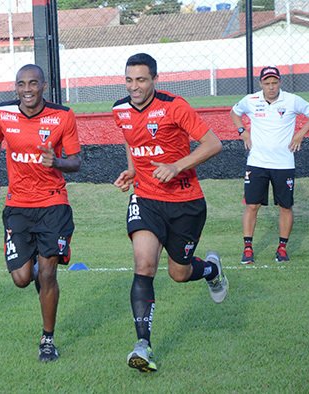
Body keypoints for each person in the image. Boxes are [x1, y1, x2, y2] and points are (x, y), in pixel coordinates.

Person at [112, 53, 228, 373]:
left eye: (141, 80)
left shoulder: (175, 106)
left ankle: (211, 271)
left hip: (185, 203)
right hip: (146, 199)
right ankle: (142, 345)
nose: (134, 87)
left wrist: (176, 166)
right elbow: (130, 139)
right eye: (129, 80)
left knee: (178, 273)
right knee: (144, 264)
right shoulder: (120, 110)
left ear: (155, 80)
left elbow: (213, 144)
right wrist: (133, 170)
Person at [0, 64, 81, 362]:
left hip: (53, 204)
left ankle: (47, 340)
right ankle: (36, 269)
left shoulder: (63, 116)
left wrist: (57, 162)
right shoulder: (3, 113)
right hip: (18, 207)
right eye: (21, 84)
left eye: (33, 83)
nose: (27, 89)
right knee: (22, 278)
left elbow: (76, 161)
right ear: (15, 87)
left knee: (49, 272)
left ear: (44, 86)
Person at [230, 66, 309, 264]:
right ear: (261, 83)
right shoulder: (251, 100)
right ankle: (247, 249)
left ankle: (282, 248)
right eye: (267, 83)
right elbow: (234, 112)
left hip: (284, 163)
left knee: (285, 206)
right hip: (256, 163)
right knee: (252, 205)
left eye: (274, 82)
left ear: (279, 82)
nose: (271, 87)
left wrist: (300, 134)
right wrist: (242, 131)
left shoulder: (292, 100)